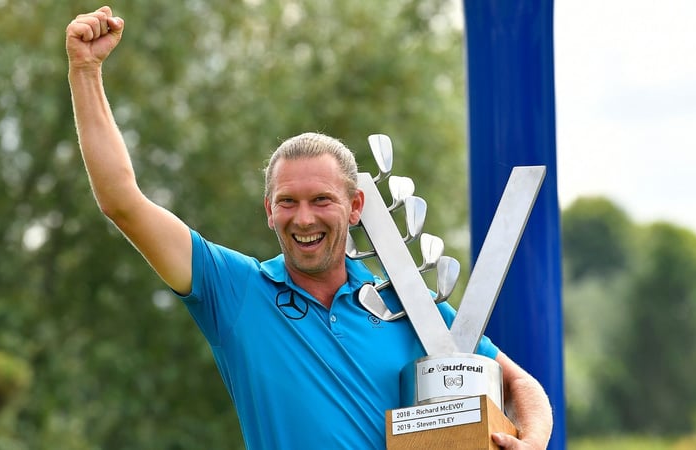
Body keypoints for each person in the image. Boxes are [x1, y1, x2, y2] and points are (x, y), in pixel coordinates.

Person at [66, 6, 553, 449]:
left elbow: (519, 383)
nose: (303, 218)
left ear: (356, 205)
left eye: (322, 200)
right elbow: (121, 200)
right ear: (268, 210)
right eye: (287, 202)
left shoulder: (407, 306)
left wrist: (531, 441)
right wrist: (86, 72)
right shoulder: (234, 292)